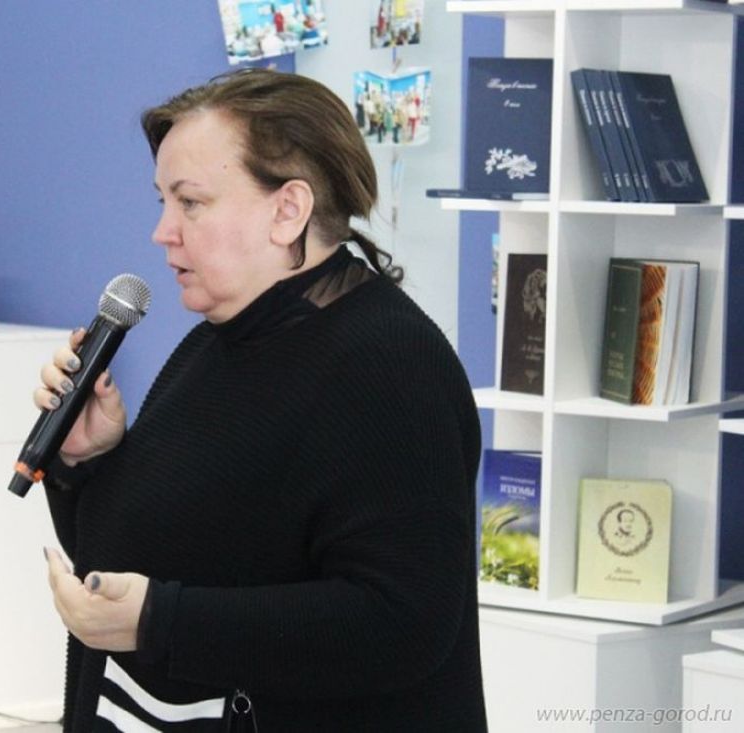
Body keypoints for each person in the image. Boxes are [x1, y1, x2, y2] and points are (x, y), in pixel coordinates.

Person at [33, 68, 487, 731]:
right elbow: (131, 559)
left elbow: (402, 622)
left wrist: (163, 621)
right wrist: (88, 463)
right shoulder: (220, 339)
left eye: (191, 203)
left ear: (288, 210)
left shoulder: (390, 366)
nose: (163, 231)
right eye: (163, 201)